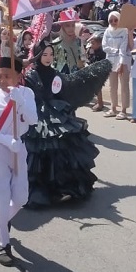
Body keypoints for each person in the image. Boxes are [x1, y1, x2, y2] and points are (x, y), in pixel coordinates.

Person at [22, 39, 103, 206]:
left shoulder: (57, 74)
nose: (48, 57)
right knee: (40, 151)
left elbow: (62, 92)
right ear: (37, 55)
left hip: (57, 113)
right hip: (37, 116)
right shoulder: (30, 75)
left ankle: (65, 187)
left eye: (51, 54)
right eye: (44, 54)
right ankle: (41, 190)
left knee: (64, 147)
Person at [0, 57, 38, 266]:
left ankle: (1, 218)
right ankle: (3, 242)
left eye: (7, 76)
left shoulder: (27, 93)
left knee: (21, 197)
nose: (3, 80)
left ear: (19, 76)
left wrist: (19, 100)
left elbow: (33, 120)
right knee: (0, 194)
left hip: (18, 148)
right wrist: (5, 140)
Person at [102, 11, 130, 119]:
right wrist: (115, 50)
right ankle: (113, 108)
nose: (113, 22)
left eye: (116, 20)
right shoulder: (107, 31)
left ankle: (123, 110)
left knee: (124, 86)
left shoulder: (124, 31)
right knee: (112, 86)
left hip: (123, 62)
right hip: (110, 61)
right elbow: (104, 46)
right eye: (111, 20)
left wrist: (121, 63)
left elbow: (123, 48)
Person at [52, 9, 86, 75]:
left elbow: (83, 58)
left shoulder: (78, 41)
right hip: (61, 78)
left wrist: (82, 62)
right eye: (67, 26)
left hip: (78, 76)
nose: (71, 28)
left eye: (73, 25)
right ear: (62, 26)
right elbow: (52, 64)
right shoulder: (56, 43)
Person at [86, 34, 106, 111]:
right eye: (91, 43)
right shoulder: (93, 51)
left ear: (99, 44)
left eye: (93, 43)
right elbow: (91, 59)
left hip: (99, 72)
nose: (91, 45)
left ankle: (100, 104)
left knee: (98, 88)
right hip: (93, 71)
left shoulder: (101, 52)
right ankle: (98, 102)